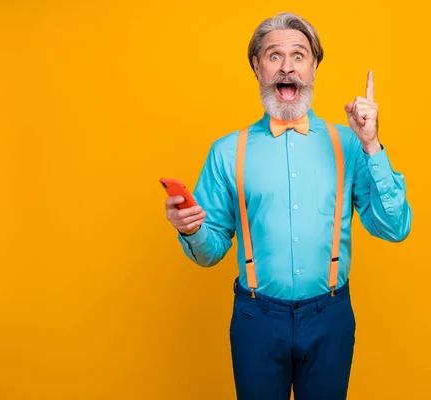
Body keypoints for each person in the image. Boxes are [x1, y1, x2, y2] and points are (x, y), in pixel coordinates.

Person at [164, 11, 412, 400]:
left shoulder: (349, 144)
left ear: (314, 66)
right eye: (274, 55)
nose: (287, 67)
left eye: (299, 56)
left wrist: (372, 145)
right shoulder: (228, 152)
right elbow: (210, 253)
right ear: (257, 66)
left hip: (329, 316)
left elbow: (394, 227)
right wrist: (192, 229)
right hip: (255, 319)